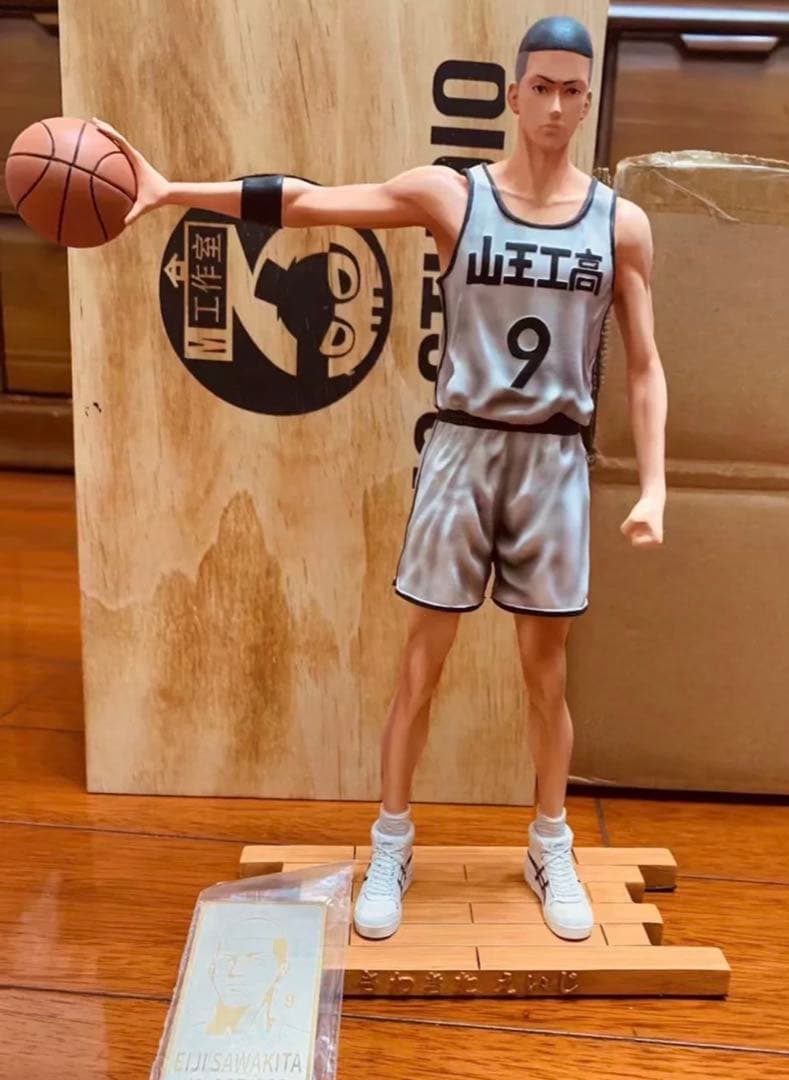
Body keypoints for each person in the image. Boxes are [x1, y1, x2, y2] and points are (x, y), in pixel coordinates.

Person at [93, 13, 667, 945]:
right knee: (420, 665)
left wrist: (654, 485)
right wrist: (171, 191)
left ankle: (549, 839)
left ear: (588, 100)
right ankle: (391, 839)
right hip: (463, 450)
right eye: (542, 87)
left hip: (554, 457)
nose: (557, 106)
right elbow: (313, 204)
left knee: (545, 672)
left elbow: (643, 364)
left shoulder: (620, 223)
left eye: (573, 90)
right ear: (514, 94)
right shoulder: (453, 195)